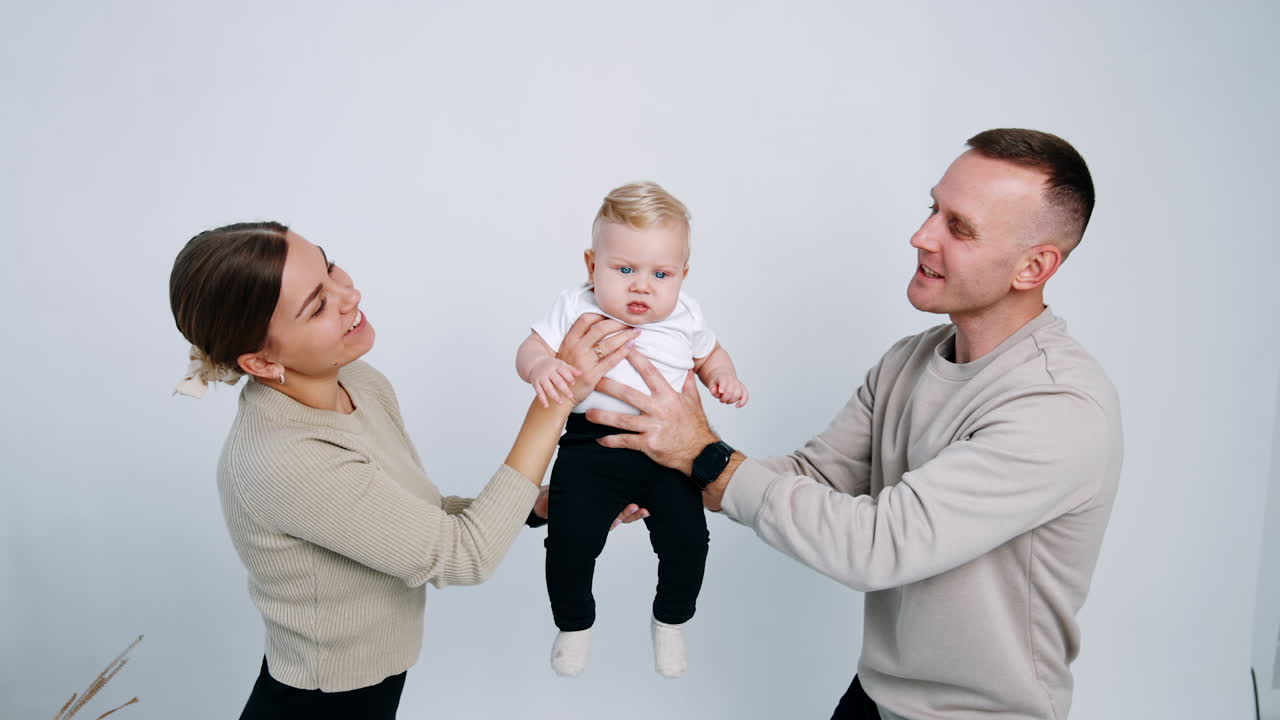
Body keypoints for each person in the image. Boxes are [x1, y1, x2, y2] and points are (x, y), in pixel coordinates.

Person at [586, 130, 1123, 719]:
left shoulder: (1056, 405)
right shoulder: (909, 361)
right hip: (875, 697)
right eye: (933, 209)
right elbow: (814, 474)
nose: (922, 236)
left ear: (1034, 266)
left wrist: (704, 456)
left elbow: (878, 545)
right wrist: (654, 476)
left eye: (959, 227)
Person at [168, 222, 645, 719]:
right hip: (319, 704)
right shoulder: (284, 458)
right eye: (318, 305)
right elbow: (464, 556)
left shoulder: (357, 382)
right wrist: (556, 401)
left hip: (371, 690)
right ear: (262, 363)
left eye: (330, 268)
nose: (349, 295)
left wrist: (546, 504)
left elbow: (419, 517)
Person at [516, 182, 748, 678]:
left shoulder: (687, 315)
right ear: (591, 265)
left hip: (670, 450)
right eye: (625, 270)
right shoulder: (575, 305)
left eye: (660, 274)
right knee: (570, 538)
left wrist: (722, 376)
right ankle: (574, 624)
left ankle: (671, 620)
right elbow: (531, 347)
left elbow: (710, 353)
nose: (642, 286)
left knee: (689, 540)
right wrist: (541, 366)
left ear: (682, 275)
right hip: (590, 445)